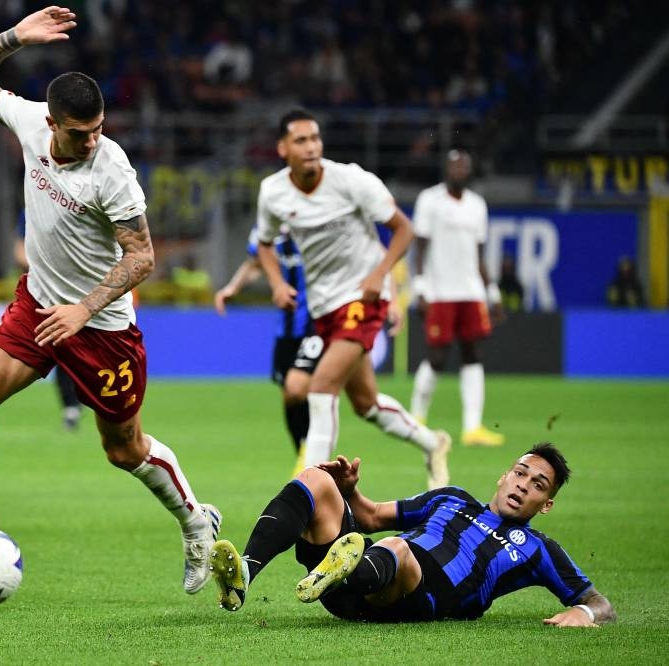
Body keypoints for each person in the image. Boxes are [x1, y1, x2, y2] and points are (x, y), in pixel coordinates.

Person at [0, 6, 221, 595]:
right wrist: (14, 39)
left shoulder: (114, 171)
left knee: (124, 451)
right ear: (51, 122)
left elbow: (143, 257)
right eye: (80, 132)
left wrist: (84, 308)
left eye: (99, 128)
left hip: (101, 328)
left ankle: (196, 523)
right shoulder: (28, 122)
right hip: (38, 305)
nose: (93, 139)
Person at [209, 443, 616, 627]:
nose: (524, 485)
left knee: (399, 548)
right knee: (316, 480)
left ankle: (341, 572)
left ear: (546, 504)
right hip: (371, 568)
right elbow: (368, 516)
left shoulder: (537, 548)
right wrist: (349, 490)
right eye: (521, 473)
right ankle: (246, 571)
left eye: (539, 485)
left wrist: (582, 613)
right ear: (504, 475)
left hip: (424, 594)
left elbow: (601, 604)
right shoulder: (451, 498)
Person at [255, 109, 451, 490]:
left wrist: (380, 277)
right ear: (283, 149)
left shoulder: (352, 180)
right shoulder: (273, 192)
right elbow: (264, 243)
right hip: (324, 309)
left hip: (362, 298)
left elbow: (403, 229)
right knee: (367, 404)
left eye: (315, 138)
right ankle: (433, 442)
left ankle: (311, 490)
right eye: (301, 140)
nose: (311, 147)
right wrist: (277, 283)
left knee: (319, 386)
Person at [409, 149, 505, 447]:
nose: (460, 170)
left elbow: (479, 254)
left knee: (473, 354)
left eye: (465, 166)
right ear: (445, 170)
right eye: (455, 166)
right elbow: (420, 249)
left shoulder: (478, 205)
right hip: (440, 292)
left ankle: (472, 427)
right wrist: (420, 288)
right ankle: (415, 417)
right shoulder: (430, 200)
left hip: (471, 291)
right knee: (437, 356)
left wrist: (492, 292)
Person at [215, 225, 315, 470]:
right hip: (286, 327)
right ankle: (305, 457)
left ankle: (311, 459)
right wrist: (233, 288)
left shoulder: (315, 219)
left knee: (297, 388)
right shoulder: (267, 227)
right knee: (289, 397)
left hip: (317, 322)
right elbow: (255, 263)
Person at [13, 210, 83, 431]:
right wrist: (42, 267)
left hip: (83, 293)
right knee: (61, 347)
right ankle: (70, 407)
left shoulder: (81, 204)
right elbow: (18, 251)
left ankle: (89, 401)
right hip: (47, 294)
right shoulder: (34, 207)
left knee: (82, 353)